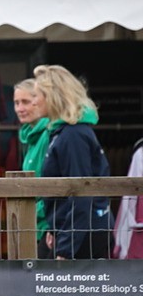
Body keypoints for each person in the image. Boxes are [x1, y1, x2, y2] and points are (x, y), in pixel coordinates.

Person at [33, 65, 113, 259]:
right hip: (77, 231)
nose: (34, 102)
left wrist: (66, 249)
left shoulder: (72, 135)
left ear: (53, 96)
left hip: (84, 235)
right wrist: (54, 227)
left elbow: (80, 192)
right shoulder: (63, 133)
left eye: (37, 96)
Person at [14, 78, 50, 240]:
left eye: (25, 102)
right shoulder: (30, 137)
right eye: (16, 103)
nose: (19, 108)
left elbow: (53, 182)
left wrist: (33, 212)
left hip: (48, 224)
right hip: (35, 226)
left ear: (39, 101)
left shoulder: (49, 134)